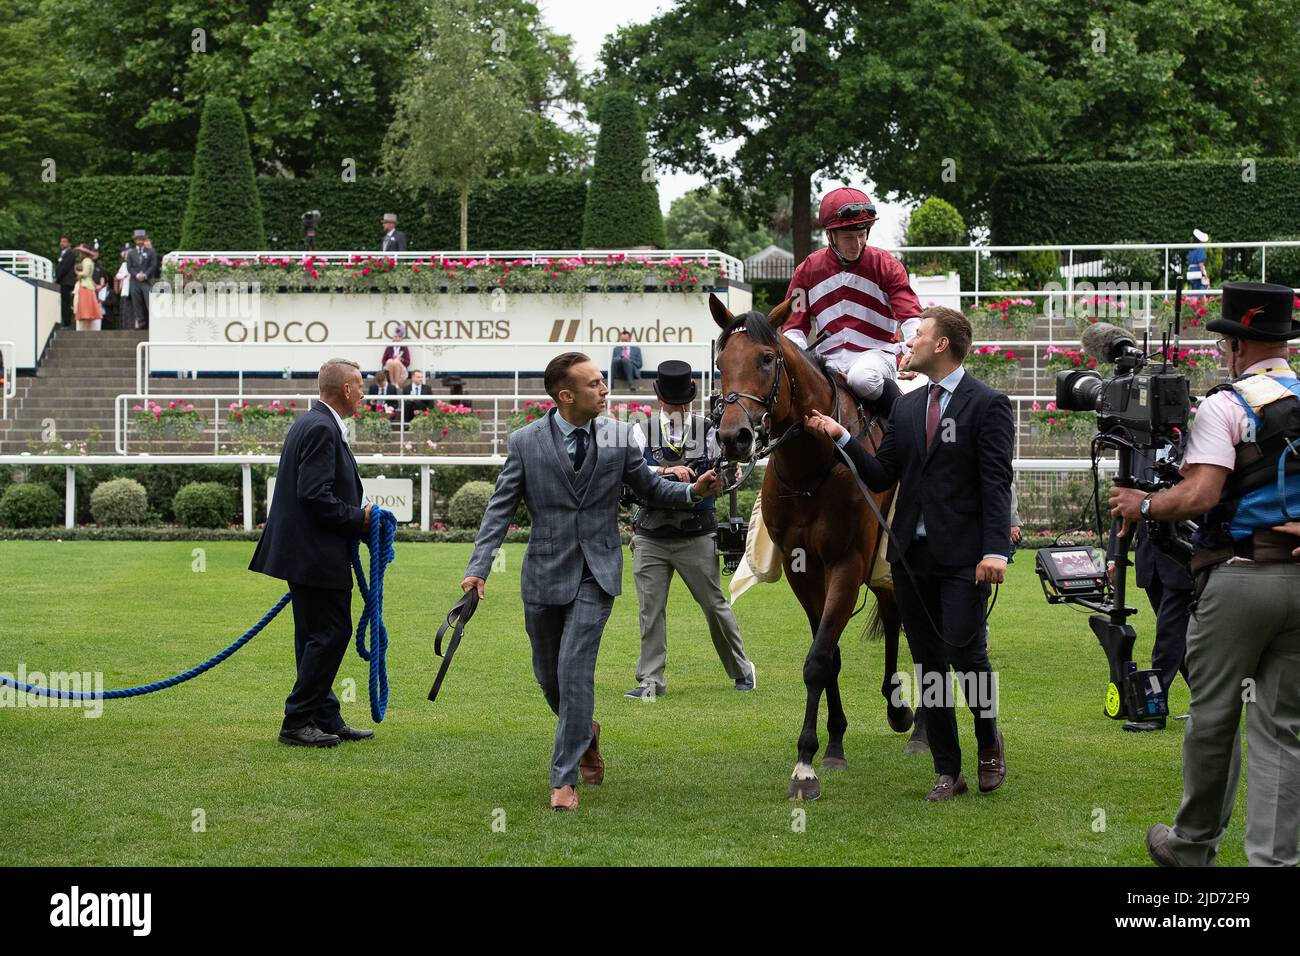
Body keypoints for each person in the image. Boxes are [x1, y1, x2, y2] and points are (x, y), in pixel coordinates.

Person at [461, 352, 723, 811]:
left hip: (597, 574)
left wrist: (691, 492)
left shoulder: (621, 437)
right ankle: (586, 732)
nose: (605, 391)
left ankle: (563, 782)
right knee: (548, 676)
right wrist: (478, 567)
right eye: (595, 384)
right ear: (566, 396)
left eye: (603, 383)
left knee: (574, 669)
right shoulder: (525, 442)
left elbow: (649, 489)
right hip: (543, 574)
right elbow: (499, 509)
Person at [1109, 281, 1300, 867]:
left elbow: (1200, 494)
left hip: (1241, 577)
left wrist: (1140, 505)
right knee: (1284, 729)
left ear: (1239, 345)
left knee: (1214, 717)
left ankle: (1192, 847)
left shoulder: (1226, 403)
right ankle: (1276, 859)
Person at [803, 306, 1013, 802]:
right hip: (910, 559)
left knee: (968, 656)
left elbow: (996, 483)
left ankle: (988, 742)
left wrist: (995, 551)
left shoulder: (988, 404)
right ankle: (948, 769)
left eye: (917, 335)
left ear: (941, 345)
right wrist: (843, 439)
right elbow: (881, 474)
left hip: (966, 558)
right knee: (929, 665)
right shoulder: (906, 407)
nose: (908, 343)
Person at [249, 358, 375, 748]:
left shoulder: (313, 422)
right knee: (331, 634)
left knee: (314, 636)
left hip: (305, 552)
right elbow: (315, 495)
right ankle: (298, 719)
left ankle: (324, 714)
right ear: (347, 390)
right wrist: (362, 520)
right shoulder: (321, 427)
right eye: (360, 385)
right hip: (315, 553)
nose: (364, 392)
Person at [625, 360, 755, 699]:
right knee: (649, 611)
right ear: (660, 401)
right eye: (673, 402)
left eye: (682, 402)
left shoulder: (710, 430)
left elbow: (729, 473)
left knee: (714, 605)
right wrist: (669, 471)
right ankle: (651, 680)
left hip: (697, 533)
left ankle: (742, 668)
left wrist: (726, 476)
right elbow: (632, 474)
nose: (678, 408)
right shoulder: (640, 430)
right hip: (651, 534)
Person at [783, 186, 923, 404]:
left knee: (862, 379)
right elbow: (794, 327)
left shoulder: (886, 265)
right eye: (849, 237)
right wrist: (800, 361)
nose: (857, 244)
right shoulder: (807, 270)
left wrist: (914, 351)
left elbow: (910, 316)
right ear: (830, 235)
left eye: (861, 234)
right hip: (827, 359)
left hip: (876, 355)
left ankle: (904, 417)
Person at [124, 229, 155, 329]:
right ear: (135, 240)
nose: (140, 241)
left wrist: (145, 275)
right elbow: (129, 267)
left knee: (149, 301)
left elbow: (153, 265)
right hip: (134, 281)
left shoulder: (150, 252)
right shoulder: (131, 253)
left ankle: (152, 322)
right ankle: (141, 323)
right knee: (136, 303)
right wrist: (136, 275)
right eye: (138, 239)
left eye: (142, 239)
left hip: (146, 281)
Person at [72, 246, 102, 331]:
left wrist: (77, 273)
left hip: (85, 284)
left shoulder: (86, 261)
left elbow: (85, 273)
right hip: (88, 284)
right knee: (88, 302)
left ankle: (86, 315)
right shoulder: (90, 261)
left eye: (81, 252)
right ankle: (87, 315)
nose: (80, 254)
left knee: (85, 303)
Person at [55, 236, 76, 327]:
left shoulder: (70, 253)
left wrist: (57, 278)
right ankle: (65, 322)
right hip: (62, 281)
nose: (62, 243)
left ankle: (67, 324)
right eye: (61, 241)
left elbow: (65, 268)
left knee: (66, 303)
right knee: (63, 303)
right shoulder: (62, 253)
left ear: (69, 243)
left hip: (66, 282)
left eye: (64, 241)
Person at [1187, 229, 1211, 293]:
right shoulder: (1200, 249)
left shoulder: (1191, 250)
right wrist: (1204, 274)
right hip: (1198, 272)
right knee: (1201, 290)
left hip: (1191, 272)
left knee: (1195, 290)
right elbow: (1201, 264)